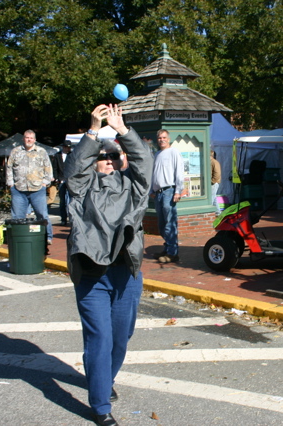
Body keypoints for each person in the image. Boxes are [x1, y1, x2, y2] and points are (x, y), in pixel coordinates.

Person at [65, 104, 152, 426]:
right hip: (91, 275)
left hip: (125, 273)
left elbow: (145, 162)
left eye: (115, 156)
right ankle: (100, 405)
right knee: (99, 337)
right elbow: (74, 169)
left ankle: (104, 379)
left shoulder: (135, 188)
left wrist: (123, 130)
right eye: (103, 156)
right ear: (95, 161)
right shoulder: (81, 188)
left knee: (119, 337)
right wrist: (93, 129)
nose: (109, 161)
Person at [5, 129, 54, 244]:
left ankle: (48, 236)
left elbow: (48, 168)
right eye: (27, 137)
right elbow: (9, 168)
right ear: (23, 139)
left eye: (31, 138)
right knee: (17, 216)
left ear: (35, 140)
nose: (29, 140)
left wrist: (45, 183)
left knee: (42, 215)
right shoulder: (15, 152)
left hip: (37, 189)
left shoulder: (41, 152)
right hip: (18, 189)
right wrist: (11, 183)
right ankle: (18, 238)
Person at [150, 129, 184, 263]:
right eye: (159, 138)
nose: (161, 140)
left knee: (170, 223)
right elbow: (154, 173)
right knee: (162, 224)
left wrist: (178, 191)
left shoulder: (174, 152)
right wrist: (151, 190)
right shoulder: (157, 154)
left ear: (168, 139)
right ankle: (168, 247)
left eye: (164, 137)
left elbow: (179, 172)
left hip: (169, 190)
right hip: (158, 193)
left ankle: (172, 253)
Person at [52, 140, 72, 226]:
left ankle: (72, 218)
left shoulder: (72, 155)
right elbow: (55, 168)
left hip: (70, 180)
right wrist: (56, 178)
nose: (67, 149)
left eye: (68, 147)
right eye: (66, 147)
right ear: (63, 147)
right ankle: (63, 219)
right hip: (61, 179)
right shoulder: (57, 156)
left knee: (71, 200)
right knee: (62, 201)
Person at [210, 150, 221, 216]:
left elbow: (217, 173)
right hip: (213, 182)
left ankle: (212, 213)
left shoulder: (214, 162)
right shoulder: (213, 162)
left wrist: (212, 181)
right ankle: (218, 213)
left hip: (213, 183)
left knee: (211, 198)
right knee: (214, 197)